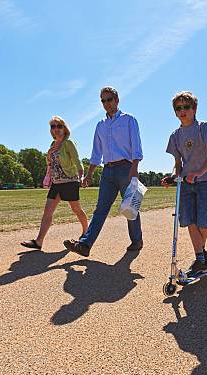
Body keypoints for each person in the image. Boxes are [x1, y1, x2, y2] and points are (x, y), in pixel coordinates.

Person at [64, 86, 144, 257]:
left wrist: (134, 169)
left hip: (126, 168)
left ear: (117, 100)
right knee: (100, 209)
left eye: (109, 99)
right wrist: (90, 173)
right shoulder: (101, 125)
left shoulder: (129, 120)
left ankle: (137, 240)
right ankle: (85, 245)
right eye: (103, 101)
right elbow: (96, 152)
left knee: (130, 207)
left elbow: (136, 147)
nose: (106, 103)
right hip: (107, 171)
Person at [162, 91, 207, 279]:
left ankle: (201, 258)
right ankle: (201, 259)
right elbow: (178, 164)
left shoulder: (203, 127)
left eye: (186, 107)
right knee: (189, 221)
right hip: (186, 184)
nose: (182, 111)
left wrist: (199, 173)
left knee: (204, 221)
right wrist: (172, 177)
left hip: (203, 182)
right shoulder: (175, 135)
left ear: (194, 109)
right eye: (178, 108)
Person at [21, 116, 88, 250]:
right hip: (56, 183)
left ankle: (86, 232)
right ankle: (38, 242)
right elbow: (50, 163)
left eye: (59, 126)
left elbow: (77, 160)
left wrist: (81, 175)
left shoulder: (68, 143)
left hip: (69, 181)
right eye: (53, 126)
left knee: (76, 209)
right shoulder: (52, 145)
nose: (56, 129)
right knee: (48, 211)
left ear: (64, 128)